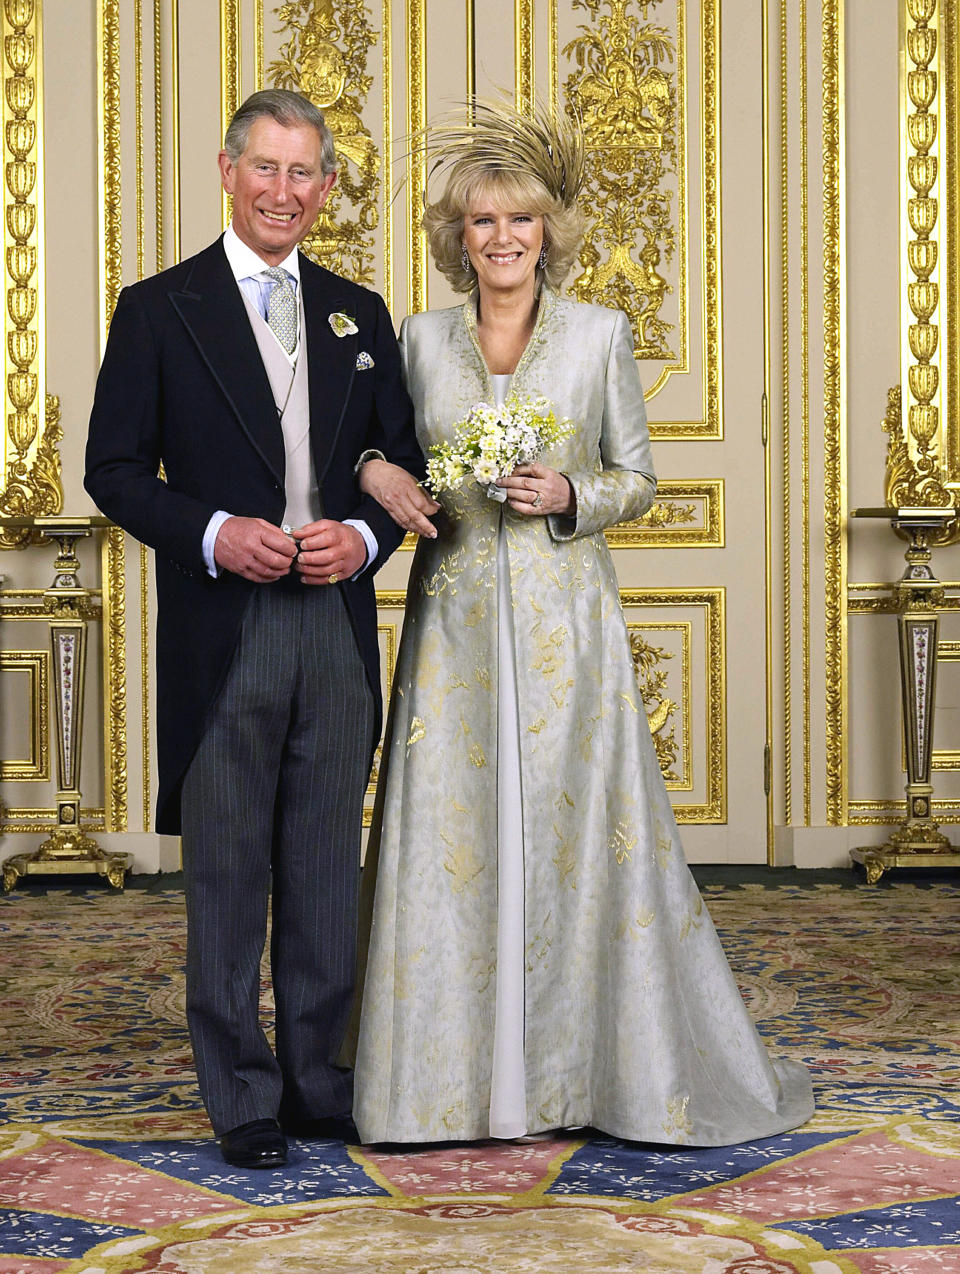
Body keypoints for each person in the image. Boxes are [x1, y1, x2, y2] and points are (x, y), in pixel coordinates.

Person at [351, 102, 814, 1145]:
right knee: (453, 837)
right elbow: (375, 453)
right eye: (481, 223)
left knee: (570, 835)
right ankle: (436, 1089)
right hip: (455, 630)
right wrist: (386, 473)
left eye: (520, 220)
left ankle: (576, 1076)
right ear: (455, 238)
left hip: (569, 634)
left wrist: (569, 494)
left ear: (549, 231)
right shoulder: (417, 342)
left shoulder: (600, 334)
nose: (503, 239)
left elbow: (638, 478)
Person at [84, 90, 431, 1169]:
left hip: (331, 623)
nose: (284, 192)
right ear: (227, 171)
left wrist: (366, 543)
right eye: (266, 169)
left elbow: (399, 463)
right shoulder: (157, 308)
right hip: (224, 625)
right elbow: (113, 471)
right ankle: (240, 1091)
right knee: (230, 871)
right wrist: (217, 530)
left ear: (326, 190)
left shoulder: (357, 311)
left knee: (327, 865)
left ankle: (316, 1078)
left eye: (304, 174)